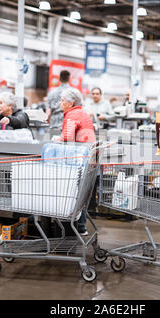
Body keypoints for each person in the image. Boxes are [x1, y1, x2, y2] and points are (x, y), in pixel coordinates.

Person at [56, 87, 96, 236]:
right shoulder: (81, 112)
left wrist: (57, 139)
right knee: (81, 192)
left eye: (62, 100)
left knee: (74, 192)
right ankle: (81, 226)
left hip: (80, 159)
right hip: (87, 158)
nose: (60, 103)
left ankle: (77, 226)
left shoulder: (72, 115)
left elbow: (67, 137)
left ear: (70, 103)